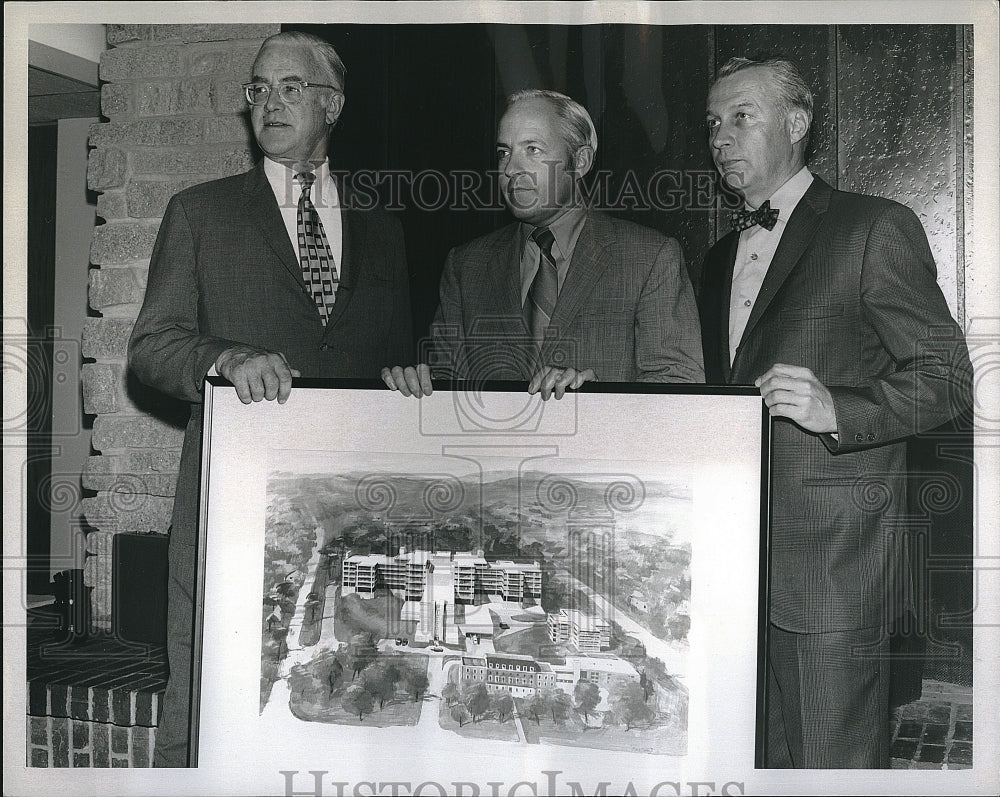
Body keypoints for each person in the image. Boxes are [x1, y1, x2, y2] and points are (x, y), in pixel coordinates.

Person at [128, 31, 413, 766]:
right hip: (232, 505)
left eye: (291, 86)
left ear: (333, 105)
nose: (271, 101)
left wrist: (411, 379)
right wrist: (222, 356)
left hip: (351, 519)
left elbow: (396, 361)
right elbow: (151, 347)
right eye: (260, 88)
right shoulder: (201, 212)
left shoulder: (384, 230)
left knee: (337, 698)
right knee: (212, 700)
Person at [699, 56, 972, 768]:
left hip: (834, 574)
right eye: (711, 123)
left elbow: (948, 378)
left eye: (740, 117)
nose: (720, 137)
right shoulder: (716, 257)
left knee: (832, 769)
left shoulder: (873, 227)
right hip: (735, 570)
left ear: (796, 123)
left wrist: (837, 407)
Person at [382, 89, 704, 399]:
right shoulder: (467, 266)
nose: (510, 169)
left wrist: (600, 397)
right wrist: (415, 388)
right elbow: (446, 386)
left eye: (532, 150)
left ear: (580, 162)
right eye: (503, 152)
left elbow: (679, 388)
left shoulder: (649, 258)